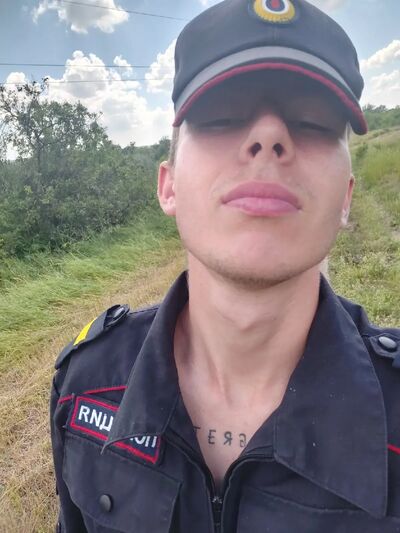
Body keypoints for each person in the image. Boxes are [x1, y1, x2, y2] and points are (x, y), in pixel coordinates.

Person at [50, 0, 400, 531]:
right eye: (222, 115)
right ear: (169, 186)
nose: (269, 135)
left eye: (311, 121)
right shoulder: (85, 384)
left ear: (347, 197)